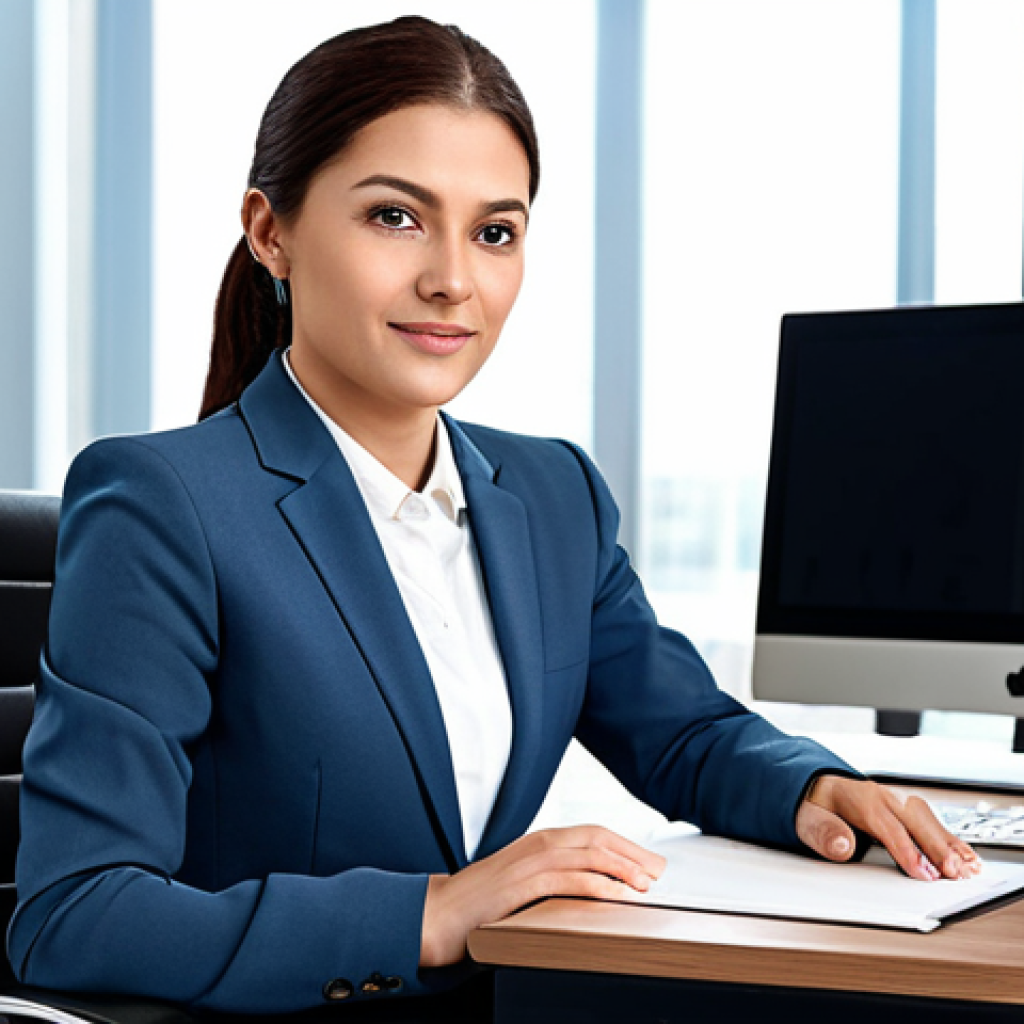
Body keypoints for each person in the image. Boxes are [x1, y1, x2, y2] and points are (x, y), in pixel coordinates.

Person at [9, 15, 978, 1015]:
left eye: (494, 232)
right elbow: (74, 914)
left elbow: (680, 733)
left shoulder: (552, 495)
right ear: (271, 232)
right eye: (395, 216)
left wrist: (810, 789)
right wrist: (429, 913)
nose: (452, 280)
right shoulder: (164, 505)